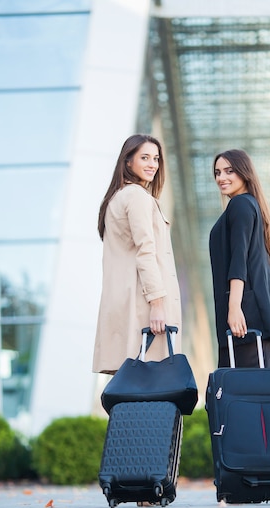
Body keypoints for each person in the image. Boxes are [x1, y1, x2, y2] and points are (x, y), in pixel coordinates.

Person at [92, 134, 182, 374]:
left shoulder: (117, 198)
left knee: (130, 386)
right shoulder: (137, 197)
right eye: (145, 157)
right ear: (128, 161)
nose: (153, 164)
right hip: (142, 305)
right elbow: (146, 252)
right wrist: (157, 304)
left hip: (125, 301)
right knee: (151, 384)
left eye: (156, 158)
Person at [209, 148, 270, 368]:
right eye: (217, 172)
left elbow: (239, 260)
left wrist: (234, 307)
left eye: (229, 171)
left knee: (242, 394)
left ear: (244, 172)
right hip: (252, 317)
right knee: (251, 393)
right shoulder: (249, 205)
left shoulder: (240, 204)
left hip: (245, 318)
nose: (221, 178)